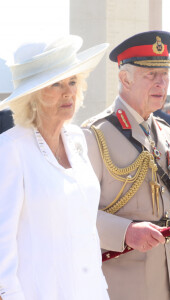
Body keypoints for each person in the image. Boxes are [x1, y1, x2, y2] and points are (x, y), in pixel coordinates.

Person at [82, 30, 170, 300]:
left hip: (167, 279)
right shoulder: (94, 134)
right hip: (120, 281)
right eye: (151, 75)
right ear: (124, 78)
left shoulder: (166, 132)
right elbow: (74, 213)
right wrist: (126, 232)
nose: (162, 83)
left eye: (165, 75)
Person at [0, 35, 110, 300]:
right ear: (33, 95)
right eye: (56, 83)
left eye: (72, 81)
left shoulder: (77, 140)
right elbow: (2, 239)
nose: (68, 91)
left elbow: (87, 227)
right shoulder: (10, 148)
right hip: (38, 291)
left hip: (89, 290)